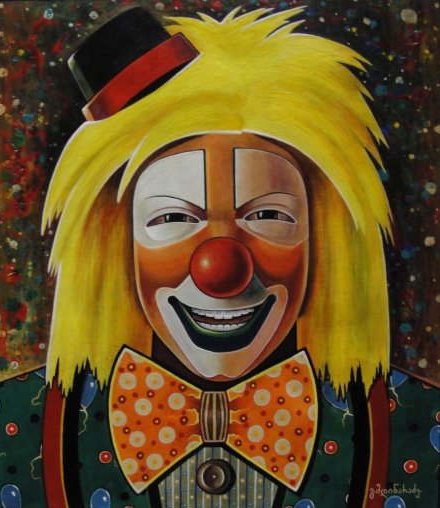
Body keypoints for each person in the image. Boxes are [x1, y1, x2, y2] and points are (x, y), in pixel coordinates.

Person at [36, 6, 437, 508]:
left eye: (267, 215)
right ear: (112, 240)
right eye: (173, 217)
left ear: (329, 238)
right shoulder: (8, 424)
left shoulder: (423, 429)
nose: (220, 267)